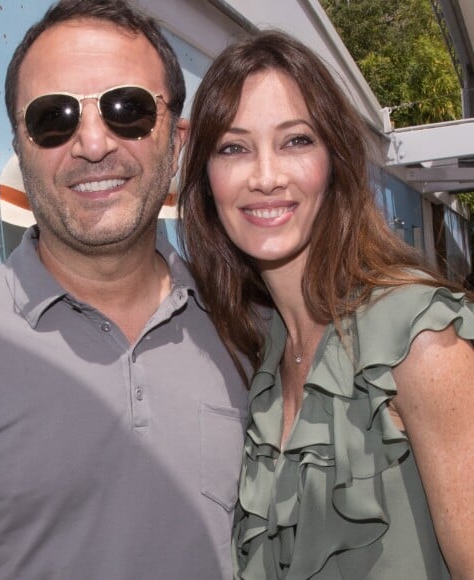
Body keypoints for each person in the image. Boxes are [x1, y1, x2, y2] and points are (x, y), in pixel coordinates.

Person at [0, 1, 249, 578]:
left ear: (177, 138)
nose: (92, 144)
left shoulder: (246, 323)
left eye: (126, 109)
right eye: (52, 118)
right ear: (20, 143)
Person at [179, 29, 474, 579]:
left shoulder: (421, 338)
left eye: (295, 141)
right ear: (206, 179)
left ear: (334, 160)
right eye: (234, 148)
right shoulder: (263, 351)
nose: (266, 177)